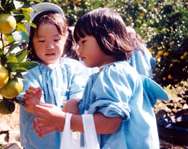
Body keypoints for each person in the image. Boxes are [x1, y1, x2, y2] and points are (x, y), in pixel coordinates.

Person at [33, 8, 168, 149]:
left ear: (109, 40)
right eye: (77, 43)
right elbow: (93, 116)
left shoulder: (114, 74)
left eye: (83, 41)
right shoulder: (108, 74)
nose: (78, 49)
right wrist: (62, 120)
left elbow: (109, 123)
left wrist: (65, 120)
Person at [16, 2, 90, 149]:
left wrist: (74, 101)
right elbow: (30, 106)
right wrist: (34, 103)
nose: (49, 46)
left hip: (70, 143)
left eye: (56, 40)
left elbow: (79, 96)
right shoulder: (30, 70)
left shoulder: (74, 68)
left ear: (65, 37)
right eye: (42, 40)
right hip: (38, 143)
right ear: (32, 42)